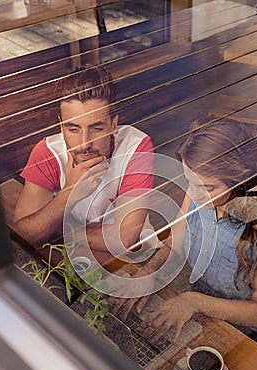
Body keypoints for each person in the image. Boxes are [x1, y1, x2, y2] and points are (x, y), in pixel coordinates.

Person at [112, 116, 257, 358]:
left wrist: (193, 302)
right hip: (203, 324)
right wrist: (149, 272)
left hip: (251, 342)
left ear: (240, 180)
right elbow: (175, 245)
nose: (194, 195)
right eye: (189, 181)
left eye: (208, 188)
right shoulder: (199, 190)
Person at [14, 65, 154, 263]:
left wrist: (58, 231)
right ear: (61, 125)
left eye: (96, 128)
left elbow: (124, 238)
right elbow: (23, 237)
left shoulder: (135, 146)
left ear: (114, 125)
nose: (84, 144)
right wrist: (69, 194)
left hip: (129, 260)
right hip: (67, 259)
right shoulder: (47, 152)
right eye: (73, 129)